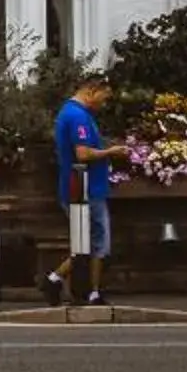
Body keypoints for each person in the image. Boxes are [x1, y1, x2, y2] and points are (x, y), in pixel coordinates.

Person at [44, 74, 118, 306]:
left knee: (86, 242)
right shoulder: (77, 116)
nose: (103, 104)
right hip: (86, 189)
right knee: (97, 242)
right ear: (91, 91)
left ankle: (58, 280)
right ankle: (89, 290)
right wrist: (111, 152)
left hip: (83, 187)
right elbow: (83, 154)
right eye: (103, 99)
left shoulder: (75, 113)